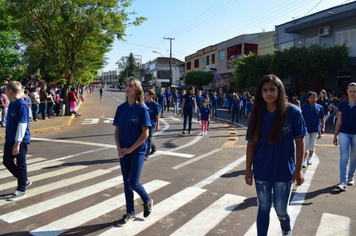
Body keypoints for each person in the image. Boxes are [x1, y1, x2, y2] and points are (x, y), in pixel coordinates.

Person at [245, 74, 307, 236]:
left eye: (272, 89)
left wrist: (298, 169)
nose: (268, 93)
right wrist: (247, 170)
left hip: (284, 171)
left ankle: (286, 231)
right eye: (264, 90)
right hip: (262, 170)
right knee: (263, 208)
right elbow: (251, 144)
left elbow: (300, 142)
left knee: (281, 210)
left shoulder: (293, 112)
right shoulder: (256, 114)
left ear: (280, 90)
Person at [113, 77, 153, 226]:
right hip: (123, 151)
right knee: (126, 183)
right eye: (126, 85)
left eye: (131, 86)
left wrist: (131, 148)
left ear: (136, 90)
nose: (127, 88)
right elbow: (117, 131)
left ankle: (147, 200)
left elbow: (145, 134)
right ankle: (130, 211)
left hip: (138, 151)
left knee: (133, 182)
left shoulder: (142, 109)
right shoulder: (121, 109)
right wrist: (119, 148)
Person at [3, 81, 32, 201]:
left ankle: (21, 189)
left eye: (5, 90)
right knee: (7, 161)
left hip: (19, 140)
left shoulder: (22, 105)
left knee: (21, 163)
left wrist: (17, 143)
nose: (4, 93)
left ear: (10, 91)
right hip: (10, 139)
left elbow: (22, 124)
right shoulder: (12, 104)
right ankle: (23, 180)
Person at [333, 82, 356, 191]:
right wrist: (335, 135)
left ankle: (351, 176)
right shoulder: (342, 104)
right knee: (344, 157)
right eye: (350, 91)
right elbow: (339, 121)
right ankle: (343, 180)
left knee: (354, 157)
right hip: (344, 133)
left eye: (354, 91)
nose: (352, 93)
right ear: (347, 92)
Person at [301, 91, 325, 167]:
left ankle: (310, 158)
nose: (312, 99)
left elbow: (322, 118)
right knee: (306, 143)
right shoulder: (304, 107)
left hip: (315, 129)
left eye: (314, 98)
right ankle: (304, 159)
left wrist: (323, 127)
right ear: (308, 99)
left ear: (317, 98)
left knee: (312, 144)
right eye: (311, 98)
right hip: (306, 129)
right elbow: (300, 118)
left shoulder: (319, 107)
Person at [144, 89, 159, 161]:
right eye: (145, 95)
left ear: (151, 96)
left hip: (151, 124)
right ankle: (154, 147)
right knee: (146, 138)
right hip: (145, 123)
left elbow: (157, 115)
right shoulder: (145, 103)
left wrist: (157, 125)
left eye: (146, 95)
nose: (145, 96)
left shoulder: (155, 105)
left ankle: (147, 154)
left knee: (149, 139)